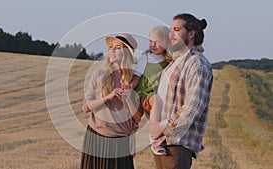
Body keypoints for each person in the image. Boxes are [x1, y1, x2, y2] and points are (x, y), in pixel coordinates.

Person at [149, 13, 213, 169]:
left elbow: (192, 109)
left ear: (191, 34)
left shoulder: (197, 64)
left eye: (176, 29)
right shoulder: (176, 61)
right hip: (163, 143)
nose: (170, 34)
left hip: (177, 144)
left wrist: (161, 127)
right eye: (170, 29)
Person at [80, 33, 142, 169]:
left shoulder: (134, 81)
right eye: (111, 47)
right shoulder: (99, 75)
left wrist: (128, 98)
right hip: (96, 136)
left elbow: (137, 118)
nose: (112, 50)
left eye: (117, 47)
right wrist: (108, 97)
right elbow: (86, 107)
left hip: (120, 140)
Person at [129, 25, 171, 156]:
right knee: (132, 120)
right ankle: (129, 148)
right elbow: (136, 76)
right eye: (150, 41)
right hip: (142, 90)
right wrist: (130, 87)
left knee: (157, 104)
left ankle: (154, 139)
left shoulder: (169, 59)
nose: (153, 45)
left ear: (167, 43)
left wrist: (197, 48)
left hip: (153, 93)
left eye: (157, 42)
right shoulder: (146, 57)